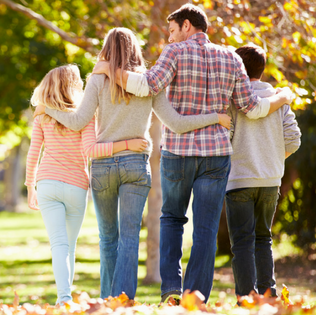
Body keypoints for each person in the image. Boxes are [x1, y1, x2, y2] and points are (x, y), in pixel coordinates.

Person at [92, 4, 295, 303]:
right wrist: (282, 96)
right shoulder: (230, 57)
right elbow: (251, 108)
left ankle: (171, 291)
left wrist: (111, 69)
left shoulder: (174, 53)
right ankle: (195, 297)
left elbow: (146, 85)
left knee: (172, 218)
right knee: (206, 228)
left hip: (178, 151)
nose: (171, 38)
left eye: (173, 30)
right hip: (216, 155)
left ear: (187, 26)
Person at [33, 28, 231, 300]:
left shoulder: (98, 80)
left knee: (107, 238)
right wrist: (215, 117)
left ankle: (107, 301)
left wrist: (48, 109)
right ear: (136, 50)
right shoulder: (149, 83)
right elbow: (176, 123)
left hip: (103, 166)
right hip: (135, 165)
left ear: (107, 50)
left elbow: (78, 122)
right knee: (129, 238)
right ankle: (122, 301)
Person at [25, 64, 149, 305]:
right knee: (68, 246)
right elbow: (92, 151)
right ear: (72, 87)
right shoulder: (85, 116)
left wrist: (31, 185)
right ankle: (64, 299)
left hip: (47, 184)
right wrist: (127, 145)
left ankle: (63, 299)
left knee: (59, 244)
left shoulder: (42, 115)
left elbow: (33, 153)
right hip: (76, 187)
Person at [225, 44, 301, 298]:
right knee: (263, 238)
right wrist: (272, 160)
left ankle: (247, 297)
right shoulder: (277, 98)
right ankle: (268, 294)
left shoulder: (232, 99)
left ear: (237, 66)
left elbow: (225, 137)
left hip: (239, 180)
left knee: (242, 243)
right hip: (270, 180)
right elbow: (294, 139)